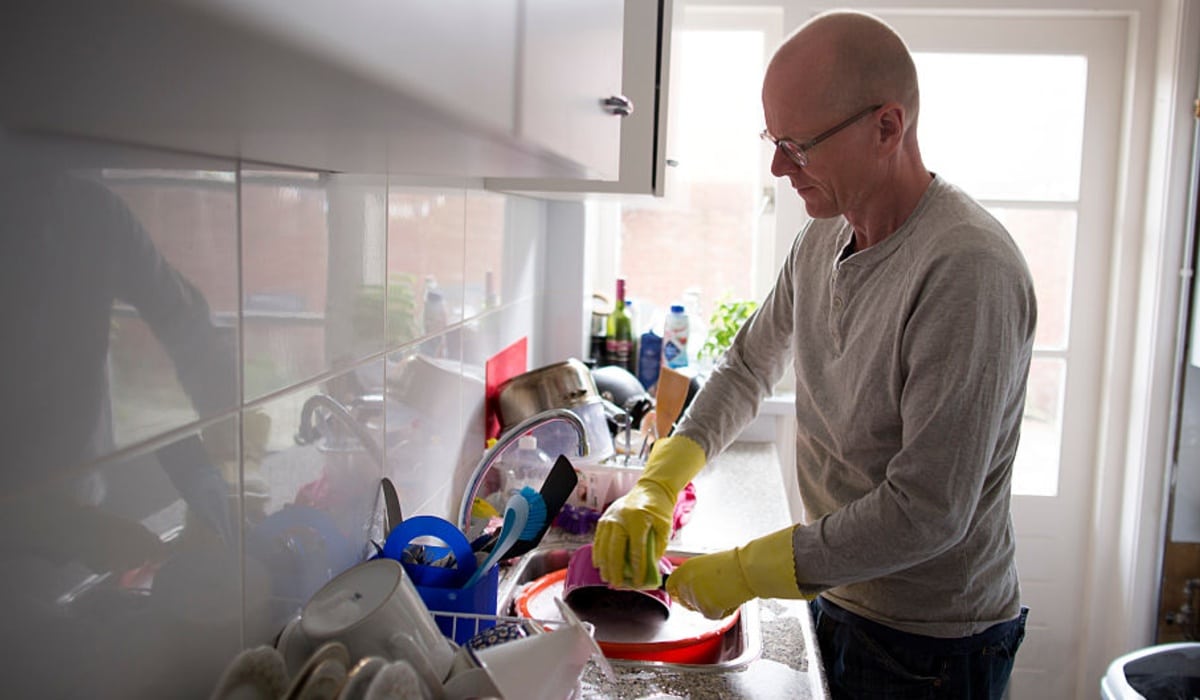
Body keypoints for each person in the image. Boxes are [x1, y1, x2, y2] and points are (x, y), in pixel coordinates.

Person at [592, 10, 1035, 699]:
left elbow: (928, 511)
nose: (776, 166)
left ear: (888, 127)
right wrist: (659, 480)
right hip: (836, 590)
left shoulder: (966, 269)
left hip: (931, 644)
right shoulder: (823, 236)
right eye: (773, 139)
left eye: (798, 144)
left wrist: (749, 570)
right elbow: (746, 368)